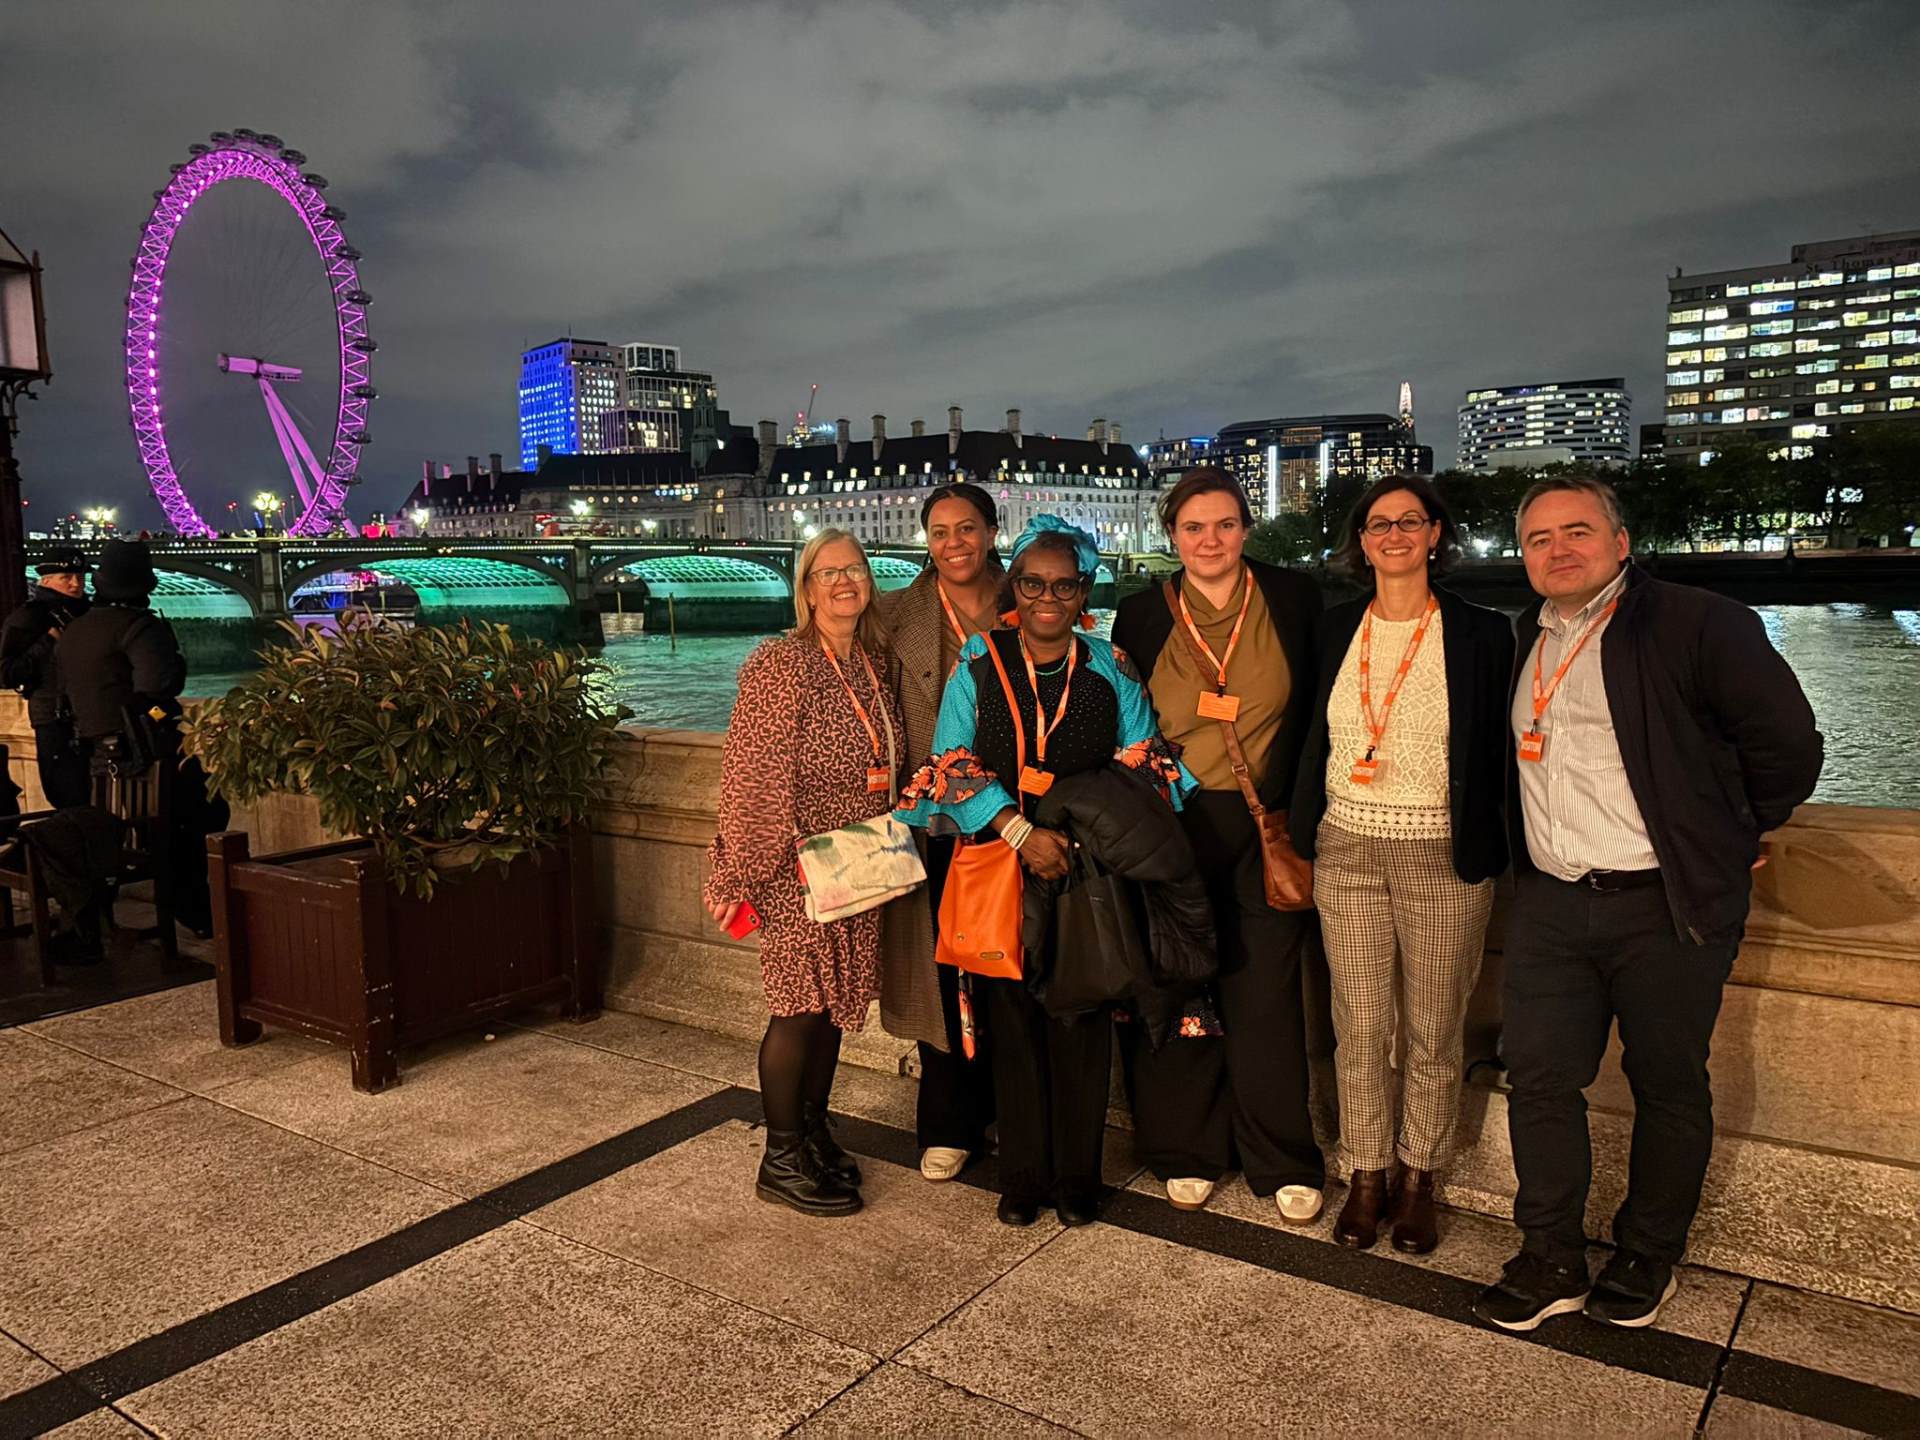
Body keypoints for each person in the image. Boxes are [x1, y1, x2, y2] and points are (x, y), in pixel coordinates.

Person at [1471, 475, 1822, 1333]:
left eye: (1577, 531)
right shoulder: (1525, 636)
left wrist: (1731, 830)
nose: (1558, 550)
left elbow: (1788, 746)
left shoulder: (1699, 622)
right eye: (1539, 538)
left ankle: (1648, 1253)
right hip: (1553, 899)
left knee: (1667, 1083)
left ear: (1621, 543)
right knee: (1540, 1080)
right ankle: (1549, 1253)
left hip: (1664, 904)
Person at [897, 515, 1190, 1228]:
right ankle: (1023, 1175)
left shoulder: (1110, 665)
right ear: (1015, 589)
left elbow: (1144, 761)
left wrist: (1079, 833)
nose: (1047, 597)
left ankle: (1078, 1178)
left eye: (1064, 585)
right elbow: (950, 759)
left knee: (1082, 1014)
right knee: (1011, 1018)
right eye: (1033, 584)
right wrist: (1021, 830)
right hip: (1001, 860)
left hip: (1087, 870)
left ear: (1085, 589)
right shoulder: (979, 660)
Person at [1289, 475, 1515, 1254]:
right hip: (1347, 846)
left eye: (1409, 521)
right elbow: (1311, 734)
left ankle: (1420, 1176)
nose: (1393, 535)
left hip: (1442, 850)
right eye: (1378, 524)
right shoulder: (1334, 627)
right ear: (1361, 542)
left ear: (1435, 534)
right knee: (1358, 1027)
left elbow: (1502, 746)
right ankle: (1366, 1172)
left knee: (1434, 1027)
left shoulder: (1483, 633)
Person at [1111, 468, 1328, 1224]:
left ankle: (1282, 1156)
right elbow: (1127, 724)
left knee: (1266, 992)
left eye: (1226, 524)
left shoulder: (1293, 598)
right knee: (1178, 985)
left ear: (1246, 528)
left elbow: (1319, 712)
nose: (1211, 540)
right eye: (1194, 527)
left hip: (1268, 823)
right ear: (1172, 535)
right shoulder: (1141, 613)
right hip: (1174, 821)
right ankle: (1187, 1148)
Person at [703, 528, 907, 1218]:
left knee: (830, 1011)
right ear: (807, 589)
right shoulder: (781, 662)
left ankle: (813, 1131)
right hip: (797, 865)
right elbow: (752, 774)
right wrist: (746, 871)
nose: (844, 582)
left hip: (859, 859)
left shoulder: (871, 661)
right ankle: (782, 1157)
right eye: (828, 572)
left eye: (854, 570)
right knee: (798, 1009)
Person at [872, 482, 1004, 1183]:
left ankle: (1011, 1108)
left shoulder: (1033, 599)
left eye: (968, 528)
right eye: (941, 531)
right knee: (940, 971)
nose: (954, 543)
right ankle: (949, 1120)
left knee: (1010, 970)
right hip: (933, 824)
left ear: (991, 532)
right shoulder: (893, 615)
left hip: (1012, 817)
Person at [54, 538, 228, 938]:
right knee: (208, 809)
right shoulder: (140, 627)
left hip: (96, 758)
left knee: (162, 824)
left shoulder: (75, 630)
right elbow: (158, 687)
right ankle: (194, 907)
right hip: (147, 754)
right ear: (145, 585)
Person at [1, 550, 93, 808]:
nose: (76, 584)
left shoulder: (90, 613)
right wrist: (48, 642)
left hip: (89, 718)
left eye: (80, 577)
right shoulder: (28, 617)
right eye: (66, 577)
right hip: (54, 720)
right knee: (68, 799)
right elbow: (6, 674)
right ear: (46, 580)